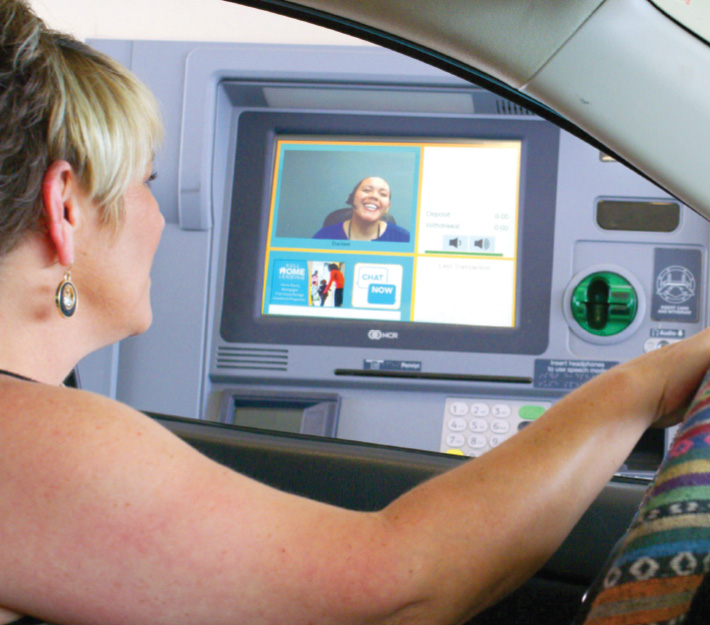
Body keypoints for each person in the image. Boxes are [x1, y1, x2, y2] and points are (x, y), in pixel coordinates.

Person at [2, 2, 710, 624]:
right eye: (144, 184)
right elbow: (400, 589)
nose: (159, 216)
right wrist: (644, 384)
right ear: (65, 206)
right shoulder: (26, 439)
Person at [312, 176, 411, 242]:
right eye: (367, 190)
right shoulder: (324, 236)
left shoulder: (404, 239)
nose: (374, 196)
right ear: (352, 198)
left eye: (383, 194)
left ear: (387, 207)